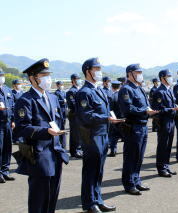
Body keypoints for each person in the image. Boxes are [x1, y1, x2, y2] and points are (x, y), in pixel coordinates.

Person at [14, 59, 69, 212]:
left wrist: (62, 148)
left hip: (56, 153)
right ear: (32, 78)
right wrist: (45, 132)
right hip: (39, 155)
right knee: (39, 198)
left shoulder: (52, 97)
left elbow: (59, 123)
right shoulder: (25, 100)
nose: (47, 79)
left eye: (48, 75)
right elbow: (22, 127)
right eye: (43, 75)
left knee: (53, 195)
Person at [76, 58, 121, 212]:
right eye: (96, 69)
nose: (99, 71)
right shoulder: (84, 92)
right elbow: (86, 116)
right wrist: (105, 118)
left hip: (102, 135)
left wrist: (109, 118)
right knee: (90, 171)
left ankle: (98, 199)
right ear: (88, 71)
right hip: (91, 137)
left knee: (99, 170)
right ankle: (89, 204)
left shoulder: (99, 90)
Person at [118, 64, 158, 195]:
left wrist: (148, 110)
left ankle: (136, 180)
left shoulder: (139, 88)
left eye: (141, 71)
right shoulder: (126, 89)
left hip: (142, 126)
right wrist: (145, 111)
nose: (140, 74)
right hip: (133, 127)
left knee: (139, 156)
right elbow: (127, 109)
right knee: (131, 156)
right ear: (130, 74)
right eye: (138, 72)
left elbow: (145, 105)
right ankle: (129, 184)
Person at [152, 69, 178, 177]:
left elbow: (172, 104)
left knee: (169, 145)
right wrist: (172, 109)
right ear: (162, 78)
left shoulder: (169, 90)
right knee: (162, 145)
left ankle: (166, 166)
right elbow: (157, 109)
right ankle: (161, 168)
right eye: (168, 76)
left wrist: (175, 108)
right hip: (163, 121)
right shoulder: (159, 92)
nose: (171, 77)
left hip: (171, 121)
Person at [0, 68, 15, 183]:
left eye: (2, 75)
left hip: (8, 123)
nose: (2, 77)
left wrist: (13, 120)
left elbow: (13, 106)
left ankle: (5, 171)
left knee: (7, 147)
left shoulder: (7, 89)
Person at [66, 74, 83, 158]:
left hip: (79, 115)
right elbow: (72, 104)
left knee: (80, 133)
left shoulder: (79, 89)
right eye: (77, 79)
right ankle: (75, 151)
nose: (79, 80)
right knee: (75, 134)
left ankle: (79, 149)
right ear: (72, 80)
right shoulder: (71, 91)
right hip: (74, 115)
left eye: (79, 78)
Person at [108, 80, 123, 157]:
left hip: (115, 118)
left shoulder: (111, 96)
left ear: (112, 87)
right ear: (119, 86)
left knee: (113, 136)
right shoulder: (122, 95)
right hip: (123, 119)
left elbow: (110, 109)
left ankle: (113, 151)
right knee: (125, 136)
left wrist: (113, 118)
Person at [54, 81, 67, 148]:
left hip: (64, 109)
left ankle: (62, 139)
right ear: (57, 85)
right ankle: (60, 140)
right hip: (60, 109)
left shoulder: (64, 92)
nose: (62, 86)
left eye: (62, 84)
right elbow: (56, 101)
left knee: (64, 122)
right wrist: (63, 101)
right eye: (60, 85)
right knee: (60, 124)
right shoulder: (56, 93)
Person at [11, 79, 24, 144]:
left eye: (20, 84)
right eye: (18, 84)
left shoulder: (22, 92)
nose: (19, 85)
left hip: (22, 111)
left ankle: (21, 138)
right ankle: (15, 139)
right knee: (15, 125)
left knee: (22, 123)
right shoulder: (12, 93)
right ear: (14, 85)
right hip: (15, 111)